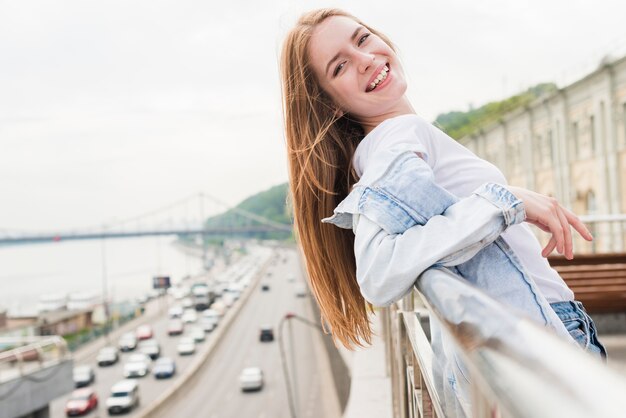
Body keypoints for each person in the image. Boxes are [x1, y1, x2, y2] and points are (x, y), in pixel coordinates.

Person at [280, 8, 606, 363]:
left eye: (362, 39)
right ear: (330, 104)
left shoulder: (383, 148)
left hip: (523, 335)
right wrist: (505, 202)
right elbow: (377, 273)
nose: (365, 59)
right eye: (339, 66)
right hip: (544, 330)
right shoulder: (398, 137)